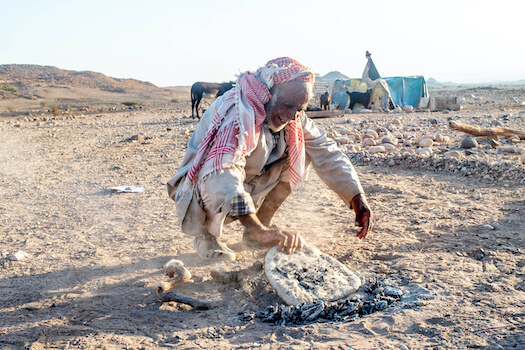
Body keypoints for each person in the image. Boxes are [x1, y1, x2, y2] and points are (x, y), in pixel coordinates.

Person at [167, 57, 372, 262]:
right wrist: (259, 230)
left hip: (245, 180)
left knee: (302, 152)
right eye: (288, 105)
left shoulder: (293, 113)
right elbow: (222, 171)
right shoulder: (237, 113)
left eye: (299, 109)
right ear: (268, 95)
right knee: (215, 175)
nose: (293, 115)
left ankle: (257, 230)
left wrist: (355, 195)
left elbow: (327, 152)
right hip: (203, 185)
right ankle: (207, 236)